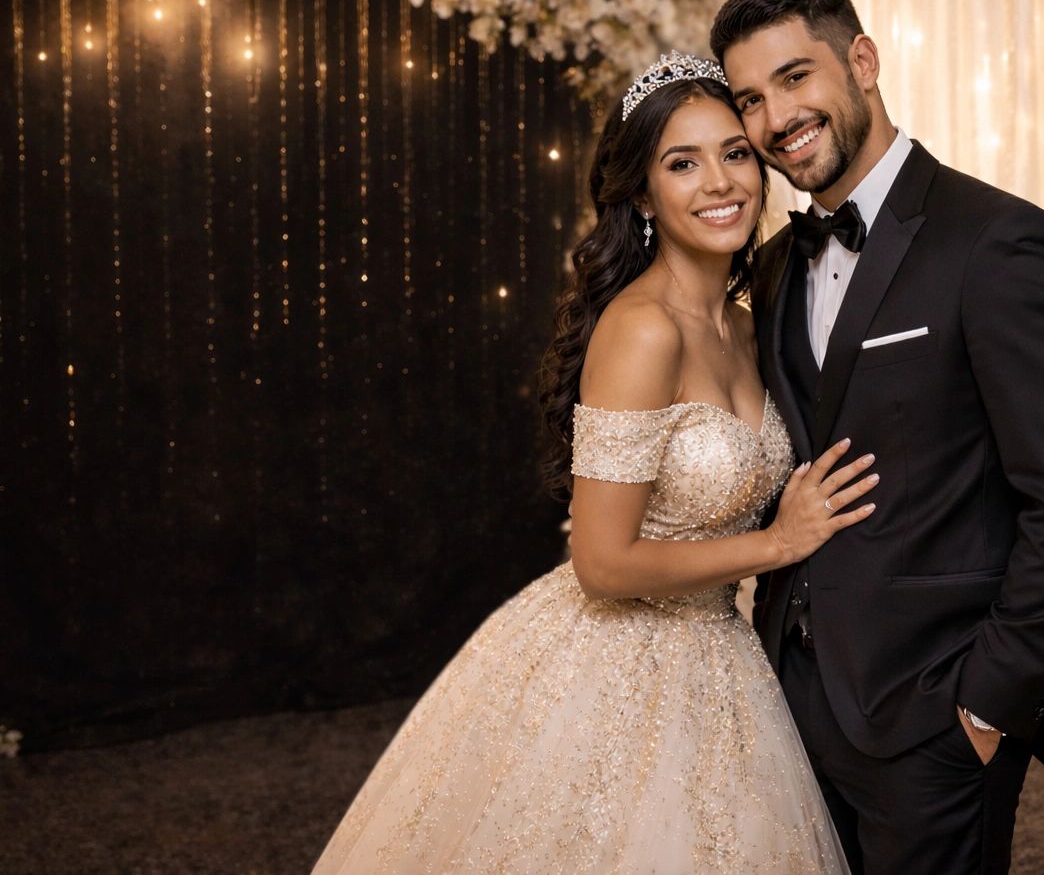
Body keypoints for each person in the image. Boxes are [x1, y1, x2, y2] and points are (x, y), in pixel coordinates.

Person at [311, 52, 877, 873]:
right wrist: (778, 545)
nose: (720, 183)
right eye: (682, 163)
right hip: (613, 664)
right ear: (644, 194)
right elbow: (602, 564)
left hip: (719, 656)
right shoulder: (641, 328)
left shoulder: (750, 325)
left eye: (735, 153)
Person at [710, 0, 1044, 875]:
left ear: (861, 62)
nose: (777, 116)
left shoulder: (999, 242)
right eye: (751, 98)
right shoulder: (778, 265)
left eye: (795, 78)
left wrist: (986, 707)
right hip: (794, 695)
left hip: (935, 717)